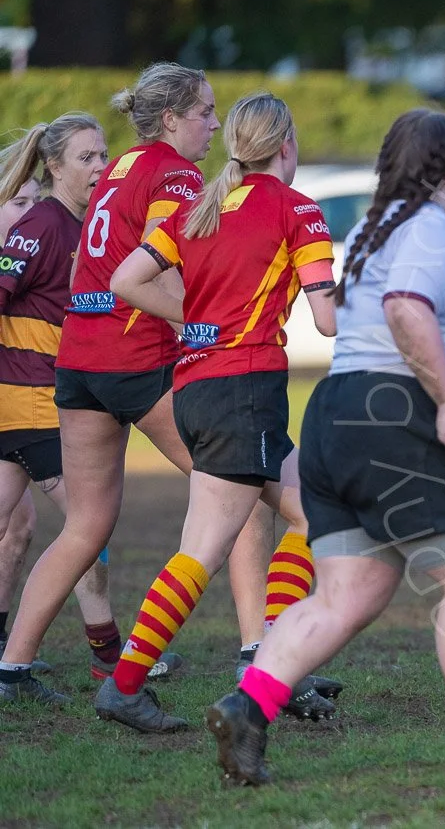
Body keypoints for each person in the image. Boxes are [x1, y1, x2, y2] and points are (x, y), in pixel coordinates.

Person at [207, 109, 445, 785]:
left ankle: (247, 708)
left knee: (349, 592)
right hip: (396, 413)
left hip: (336, 414)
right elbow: (407, 309)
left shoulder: (381, 228)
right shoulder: (430, 227)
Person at [0, 64, 283, 708]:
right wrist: (208, 324)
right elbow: (156, 266)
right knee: (239, 496)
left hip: (79, 359)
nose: (215, 124)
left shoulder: (125, 163)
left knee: (86, 525)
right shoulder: (174, 173)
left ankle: (11, 668)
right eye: (206, 112)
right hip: (135, 359)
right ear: (172, 118)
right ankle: (255, 655)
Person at [100, 91, 344, 732]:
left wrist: (201, 323)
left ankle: (273, 663)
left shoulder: (196, 208)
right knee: (204, 551)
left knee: (316, 511)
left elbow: (124, 279)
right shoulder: (297, 210)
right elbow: (326, 316)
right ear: (285, 144)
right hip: (244, 391)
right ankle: (126, 686)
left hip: (199, 389)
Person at [0, 118, 123, 682]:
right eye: (86, 157)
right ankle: (107, 660)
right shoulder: (43, 223)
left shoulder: (86, 223)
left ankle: (13, 657)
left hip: (41, 400)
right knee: (87, 526)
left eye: (103, 155)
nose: (100, 166)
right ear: (54, 166)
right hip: (30, 405)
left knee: (18, 530)